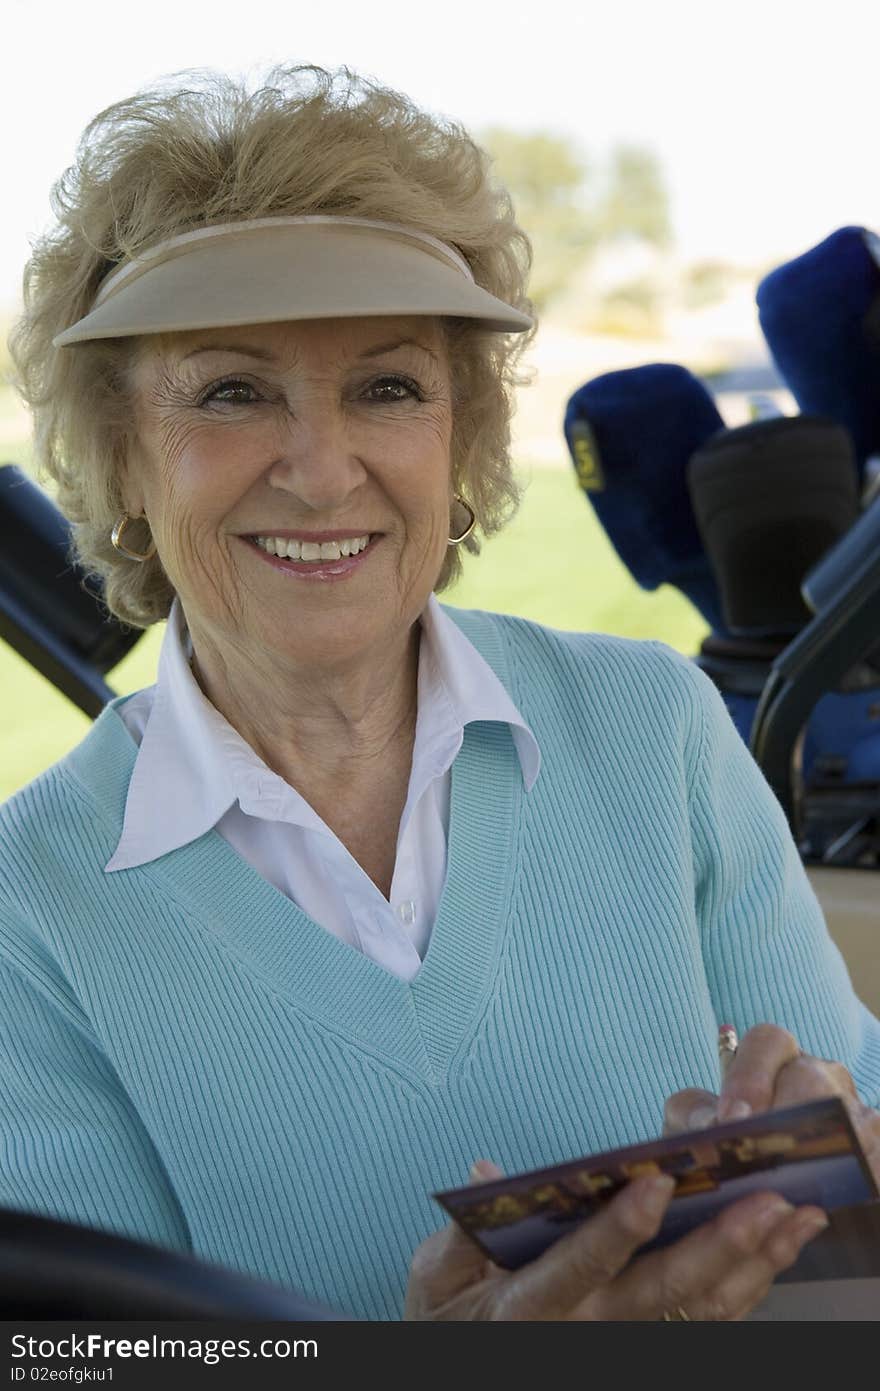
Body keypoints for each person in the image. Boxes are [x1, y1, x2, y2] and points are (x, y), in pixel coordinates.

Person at [3, 64, 879, 1324]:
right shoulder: (25, 905)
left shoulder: (654, 729)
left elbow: (852, 1167)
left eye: (388, 386)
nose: (319, 470)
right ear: (123, 452)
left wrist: (835, 1168)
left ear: (459, 439)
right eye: (233, 390)